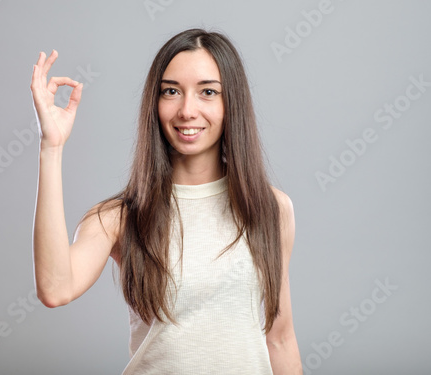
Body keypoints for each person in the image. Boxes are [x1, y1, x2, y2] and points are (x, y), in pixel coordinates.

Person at [30, 28, 302, 374]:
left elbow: (279, 339)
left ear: (231, 102)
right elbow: (55, 289)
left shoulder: (271, 210)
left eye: (208, 92)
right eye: (171, 91)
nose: (187, 110)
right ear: (154, 103)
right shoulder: (119, 217)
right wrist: (50, 147)